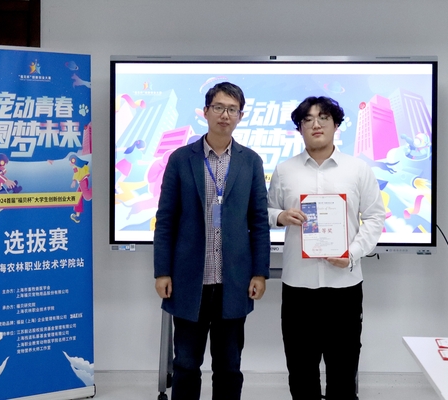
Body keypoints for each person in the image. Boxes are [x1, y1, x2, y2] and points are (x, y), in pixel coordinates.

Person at [153, 82, 270, 400]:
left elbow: (259, 222)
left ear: (241, 116)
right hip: (189, 280)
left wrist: (260, 273)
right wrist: (162, 271)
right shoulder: (181, 159)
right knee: (186, 364)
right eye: (218, 107)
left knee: (229, 366)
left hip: (234, 280)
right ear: (205, 112)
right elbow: (166, 220)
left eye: (232, 109)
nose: (225, 115)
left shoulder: (250, 162)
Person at [267, 96, 385, 400]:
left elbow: (375, 217)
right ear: (299, 128)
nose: (315, 124)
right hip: (298, 287)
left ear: (336, 125)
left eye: (323, 118)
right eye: (307, 119)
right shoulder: (284, 171)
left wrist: (352, 253)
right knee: (300, 372)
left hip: (344, 287)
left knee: (343, 374)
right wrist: (280, 216)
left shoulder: (358, 169)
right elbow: (265, 212)